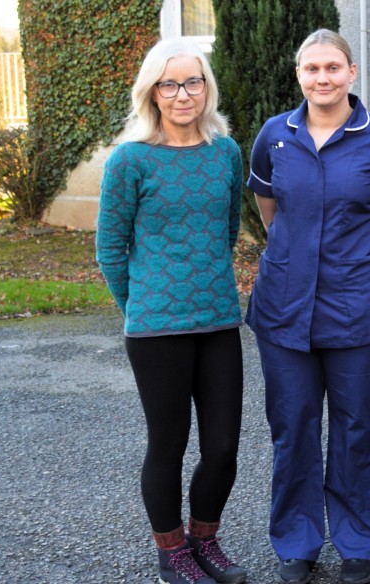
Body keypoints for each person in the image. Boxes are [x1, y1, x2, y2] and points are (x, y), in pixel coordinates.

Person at [246, 29, 370, 584]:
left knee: (357, 427)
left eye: (333, 68)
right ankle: (297, 544)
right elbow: (270, 212)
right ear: (299, 74)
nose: (323, 78)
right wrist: (300, 255)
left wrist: (353, 260)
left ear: (351, 72)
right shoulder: (275, 135)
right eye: (312, 68)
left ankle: (359, 543)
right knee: (292, 427)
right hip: (283, 309)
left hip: (360, 310)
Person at [96, 38, 247, 584]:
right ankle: (172, 552)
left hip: (218, 319)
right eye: (169, 84)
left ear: (207, 88)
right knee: (168, 444)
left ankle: (204, 540)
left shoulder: (225, 152)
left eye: (193, 82)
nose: (183, 94)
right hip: (156, 329)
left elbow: (227, 231)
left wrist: (203, 283)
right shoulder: (130, 159)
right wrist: (140, 306)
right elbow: (110, 249)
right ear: (152, 92)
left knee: (223, 446)